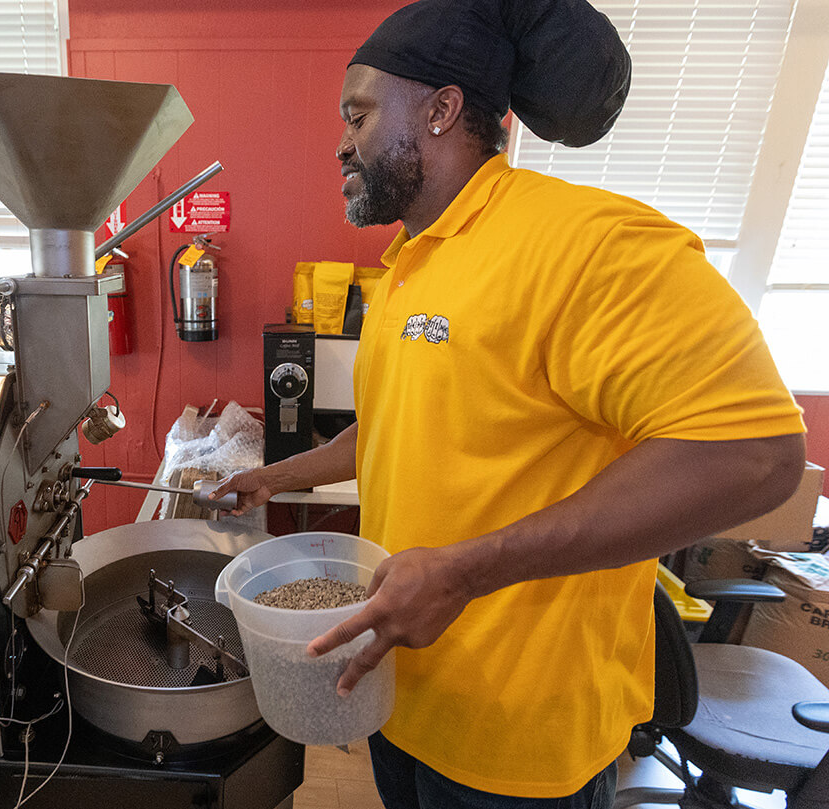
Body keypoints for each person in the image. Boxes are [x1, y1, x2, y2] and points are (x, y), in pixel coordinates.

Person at [211, 1, 809, 807]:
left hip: (524, 742)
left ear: (441, 109)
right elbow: (394, 425)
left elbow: (758, 455)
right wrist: (276, 477)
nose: (342, 141)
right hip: (407, 697)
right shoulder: (408, 264)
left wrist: (465, 572)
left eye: (359, 113)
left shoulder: (583, 244)